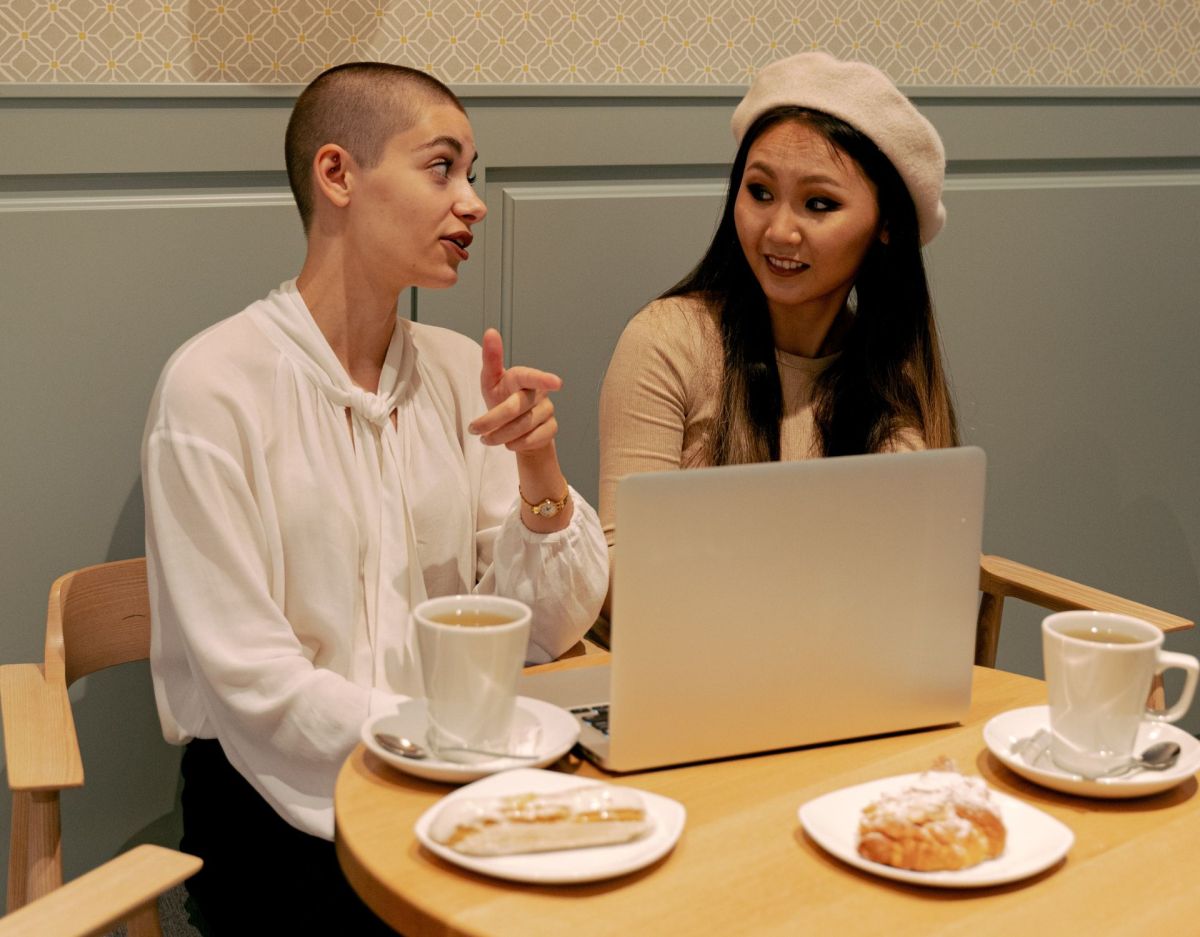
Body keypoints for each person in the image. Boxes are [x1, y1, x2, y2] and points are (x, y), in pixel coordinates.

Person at [142, 63, 607, 934]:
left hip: (457, 773)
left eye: (472, 173)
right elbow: (253, 683)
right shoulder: (211, 388)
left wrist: (541, 472)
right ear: (338, 175)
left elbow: (544, 628)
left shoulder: (458, 369)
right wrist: (453, 740)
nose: (471, 202)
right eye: (442, 168)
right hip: (281, 810)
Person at [598, 52, 959, 620]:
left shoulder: (894, 381)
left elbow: (906, 596)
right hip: (688, 676)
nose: (779, 231)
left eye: (819, 204)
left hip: (847, 685)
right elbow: (620, 574)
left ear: (886, 225)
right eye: (760, 192)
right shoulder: (669, 341)